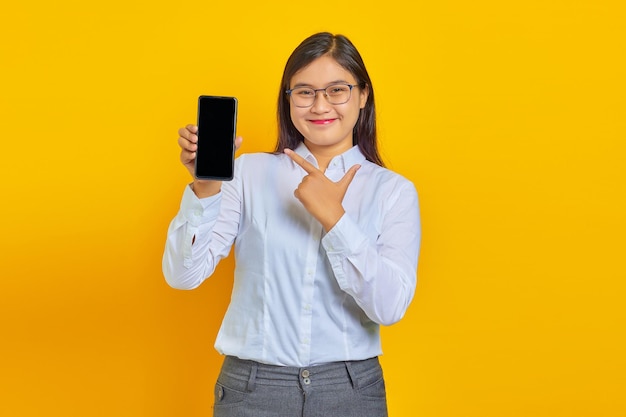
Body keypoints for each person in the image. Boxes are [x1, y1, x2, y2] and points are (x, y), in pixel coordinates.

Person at [163, 32, 421, 417]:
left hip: (350, 391)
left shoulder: (393, 191)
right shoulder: (248, 172)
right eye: (304, 92)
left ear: (363, 95)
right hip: (253, 390)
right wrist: (206, 186)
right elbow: (184, 275)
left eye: (337, 90)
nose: (320, 105)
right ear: (288, 99)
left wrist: (335, 219)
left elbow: (389, 307)